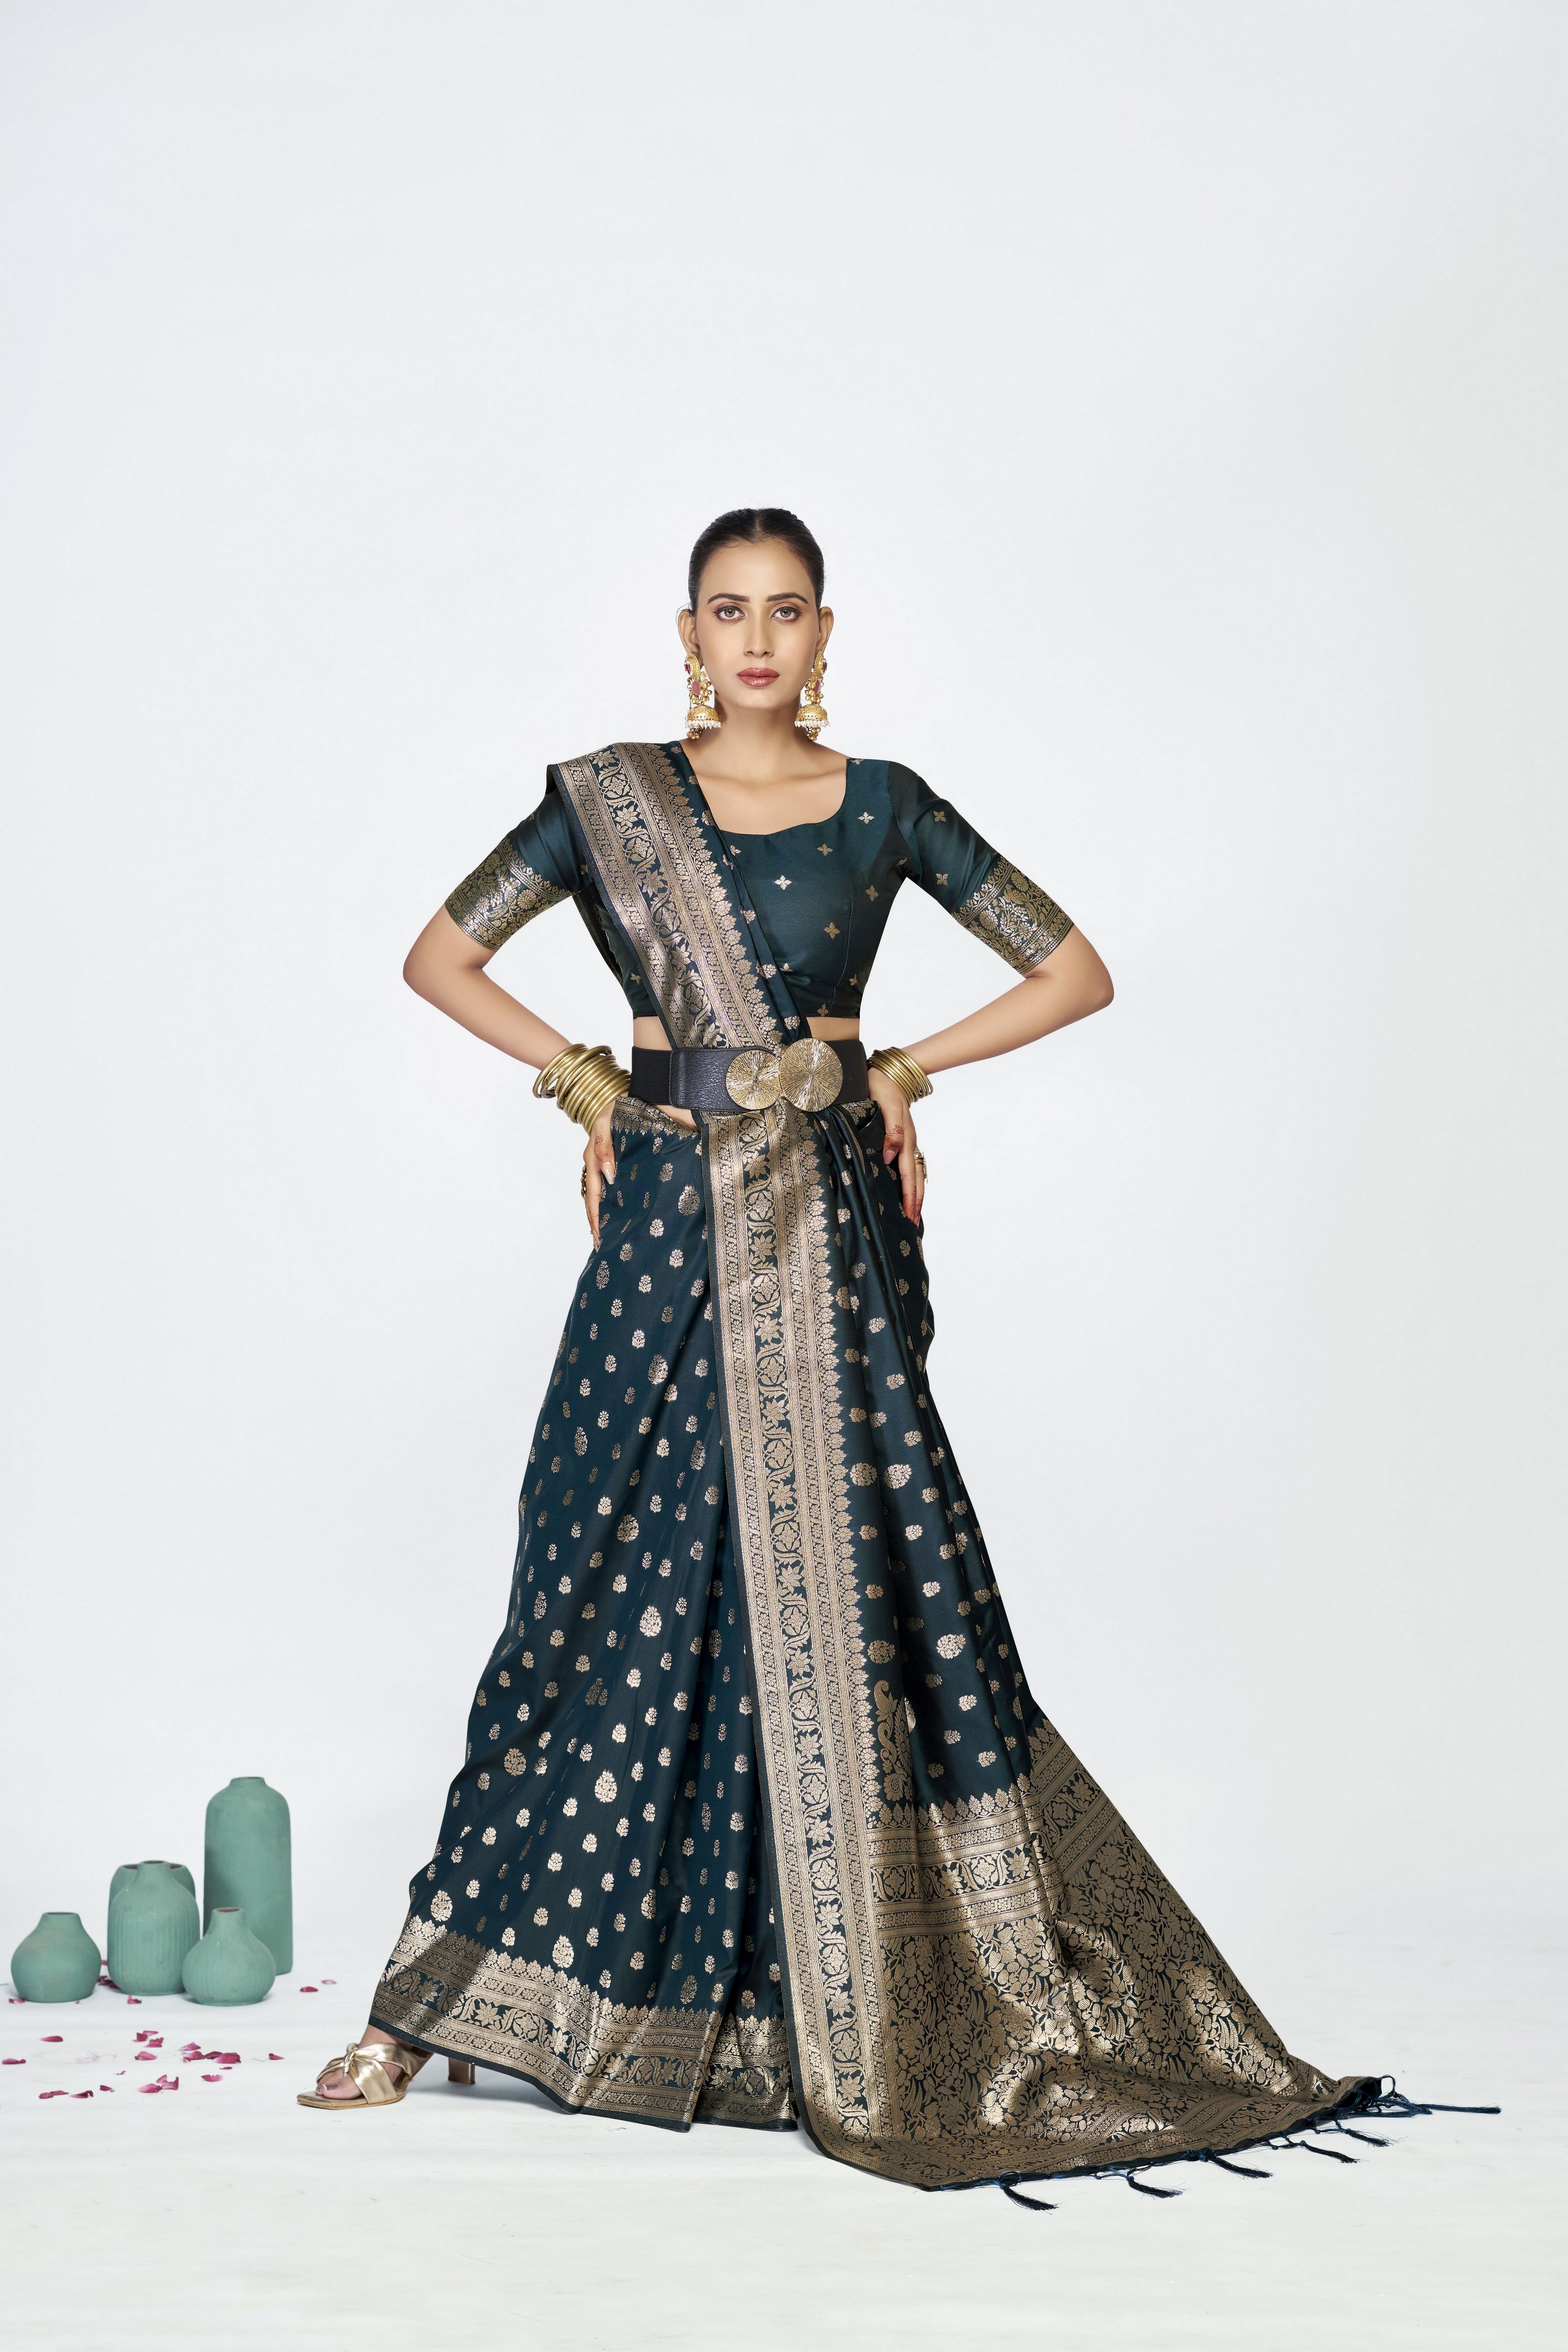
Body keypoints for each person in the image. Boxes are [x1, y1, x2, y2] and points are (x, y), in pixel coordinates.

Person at [299, 507, 1368, 2192]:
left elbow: (1074, 969)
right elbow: (442, 957)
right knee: (590, 1582)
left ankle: (827, 2002)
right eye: (727, 611)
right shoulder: (605, 801)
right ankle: (436, 2000)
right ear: (687, 633)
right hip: (668, 1228)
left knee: (860, 1587)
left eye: (784, 611)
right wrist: (583, 1081)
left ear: (823, 633)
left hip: (828, 1229)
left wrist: (901, 1072)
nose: (756, 641)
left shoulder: (884, 805)